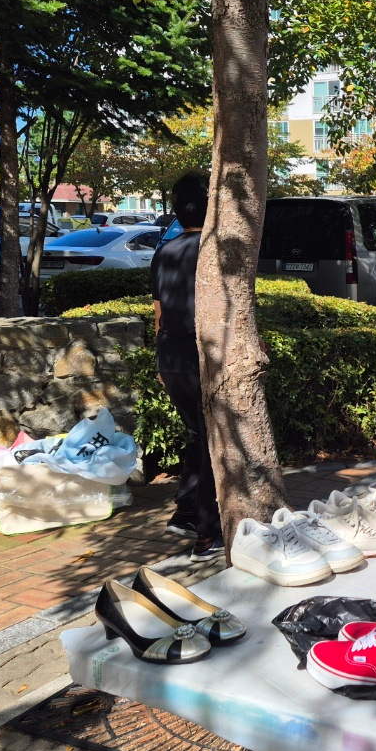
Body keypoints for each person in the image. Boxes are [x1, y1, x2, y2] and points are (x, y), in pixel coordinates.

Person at [150, 172, 222, 561]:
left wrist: (162, 363)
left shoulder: (164, 251)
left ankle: (186, 511)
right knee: (213, 441)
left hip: (171, 357)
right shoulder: (214, 250)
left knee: (197, 435)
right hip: (202, 357)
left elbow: (159, 315)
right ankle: (208, 535)